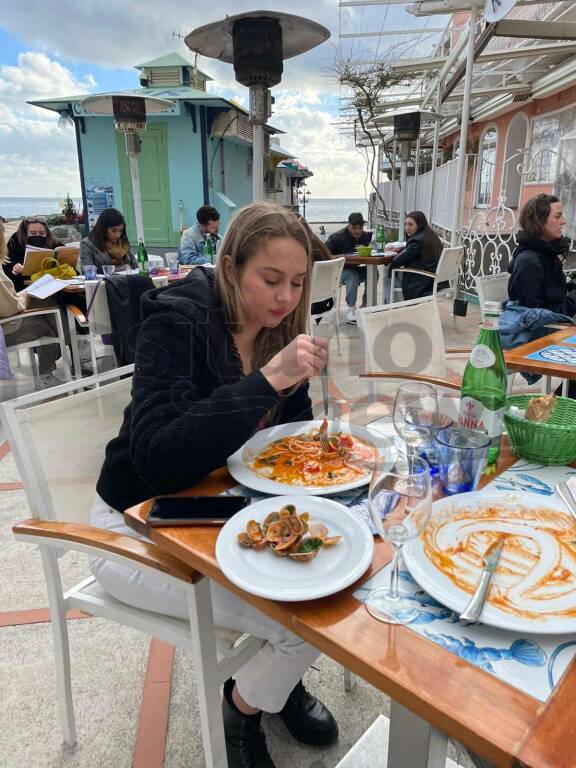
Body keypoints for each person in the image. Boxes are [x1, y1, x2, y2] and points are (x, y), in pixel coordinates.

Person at [90, 202, 337, 767]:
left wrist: (319, 450)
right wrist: (266, 381)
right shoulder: (174, 324)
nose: (285, 298)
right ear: (230, 268)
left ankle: (271, 683)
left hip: (216, 509)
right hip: (133, 525)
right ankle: (243, 707)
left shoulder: (278, 331)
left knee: (331, 578)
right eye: (270, 280)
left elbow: (284, 446)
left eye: (297, 283)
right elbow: (158, 460)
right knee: (306, 624)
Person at [0, 221, 64, 387]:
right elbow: (11, 309)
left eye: (41, 234)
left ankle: (76, 346)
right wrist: (26, 294)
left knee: (48, 305)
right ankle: (48, 372)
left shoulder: (54, 245)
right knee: (52, 319)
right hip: (5, 328)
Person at [508, 194, 574, 315]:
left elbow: (552, 293)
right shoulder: (528, 262)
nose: (563, 221)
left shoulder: (547, 252)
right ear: (539, 221)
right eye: (557, 217)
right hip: (546, 332)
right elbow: (535, 317)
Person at [325, 212, 372, 324]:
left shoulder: (365, 237)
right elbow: (324, 255)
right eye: (354, 228)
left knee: (373, 273)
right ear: (348, 225)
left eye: (360, 228)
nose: (358, 231)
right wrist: (341, 256)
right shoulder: (337, 238)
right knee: (352, 275)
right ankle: (351, 311)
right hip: (335, 272)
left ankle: (366, 305)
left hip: (354, 268)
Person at [387, 211, 443, 301]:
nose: (407, 228)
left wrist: (390, 267)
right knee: (392, 273)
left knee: (388, 274)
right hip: (435, 279)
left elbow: (396, 261)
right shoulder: (431, 235)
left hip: (422, 281)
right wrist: (400, 251)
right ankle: (399, 304)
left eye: (410, 225)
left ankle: (395, 305)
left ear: (419, 225)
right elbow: (413, 252)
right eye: (405, 224)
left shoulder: (417, 241)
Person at [4, 216, 63, 292]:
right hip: (23, 285)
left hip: (51, 282)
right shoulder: (15, 241)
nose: (37, 235)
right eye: (33, 233)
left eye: (42, 233)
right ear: (25, 233)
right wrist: (14, 266)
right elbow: (6, 263)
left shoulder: (51, 240)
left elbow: (64, 253)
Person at [80, 208, 136, 273]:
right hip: (104, 282)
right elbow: (88, 271)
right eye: (114, 231)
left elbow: (136, 265)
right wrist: (118, 269)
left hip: (127, 281)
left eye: (120, 231)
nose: (118, 235)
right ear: (103, 228)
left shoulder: (122, 241)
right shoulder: (88, 244)